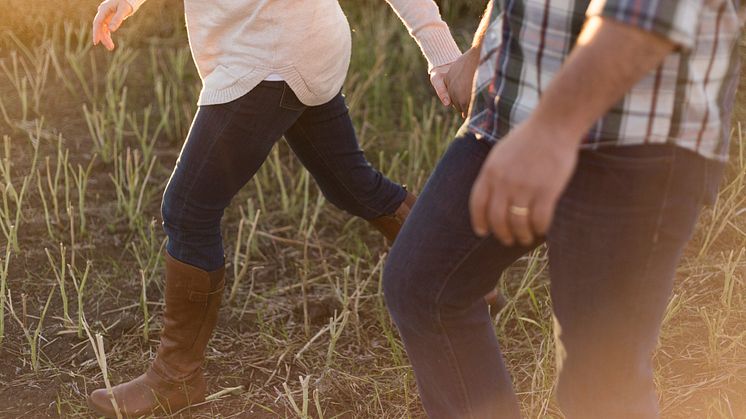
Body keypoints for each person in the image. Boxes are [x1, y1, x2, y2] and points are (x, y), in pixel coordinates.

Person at [86, 0, 464, 416]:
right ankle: (462, 278)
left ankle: (176, 377)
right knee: (351, 185)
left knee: (189, 209)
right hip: (294, 46)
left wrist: (441, 52)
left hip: (270, 59)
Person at [383, 0, 741, 418]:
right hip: (516, 105)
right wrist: (484, 44)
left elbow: (648, 13)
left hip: (636, 131)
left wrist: (551, 131)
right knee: (425, 286)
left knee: (600, 383)